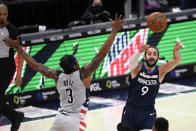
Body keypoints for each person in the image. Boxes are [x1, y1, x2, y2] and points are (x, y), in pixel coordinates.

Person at [4, 14, 126, 131]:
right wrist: (114, 31)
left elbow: (35, 65)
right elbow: (101, 55)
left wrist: (18, 48)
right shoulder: (83, 74)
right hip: (75, 121)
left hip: (59, 120)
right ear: (76, 65)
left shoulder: (57, 76)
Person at [120, 42, 182, 131]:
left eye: (154, 54)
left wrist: (176, 52)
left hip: (148, 113)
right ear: (145, 57)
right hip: (130, 111)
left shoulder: (160, 71)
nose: (152, 56)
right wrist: (140, 51)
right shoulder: (138, 68)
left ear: (157, 58)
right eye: (149, 54)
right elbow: (131, 63)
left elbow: (176, 61)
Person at [0, 3, 24, 131]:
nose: (2, 17)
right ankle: (16, 117)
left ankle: (16, 116)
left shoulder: (12, 30)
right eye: (0, 14)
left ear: (7, 15)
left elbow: (20, 52)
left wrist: (19, 74)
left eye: (4, 14)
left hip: (6, 68)